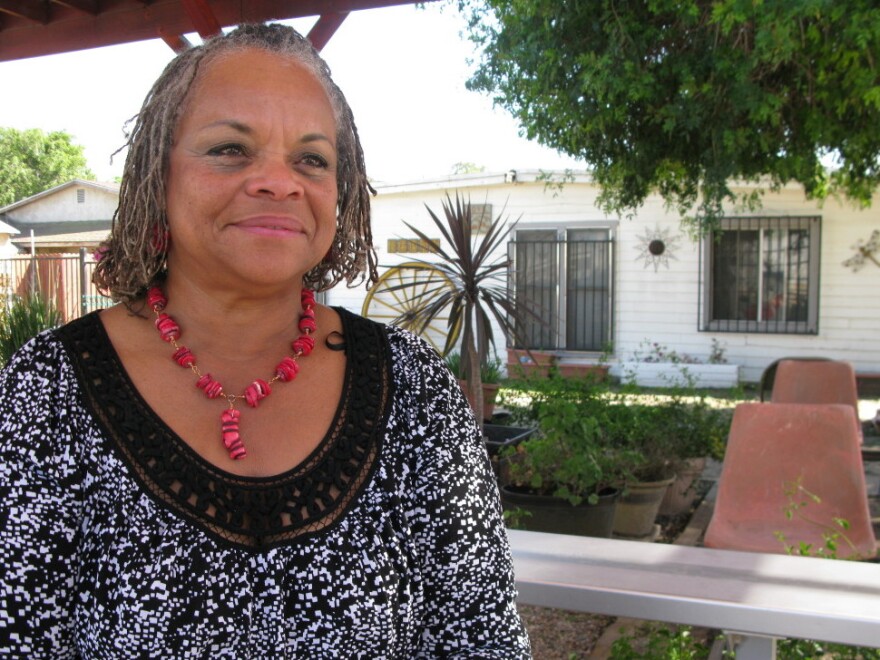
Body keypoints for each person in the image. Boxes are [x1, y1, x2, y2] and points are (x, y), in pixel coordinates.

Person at [0, 24, 530, 658]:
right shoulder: (49, 392)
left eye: (311, 158)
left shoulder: (414, 391)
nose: (280, 182)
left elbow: (483, 639)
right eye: (230, 148)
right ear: (155, 174)